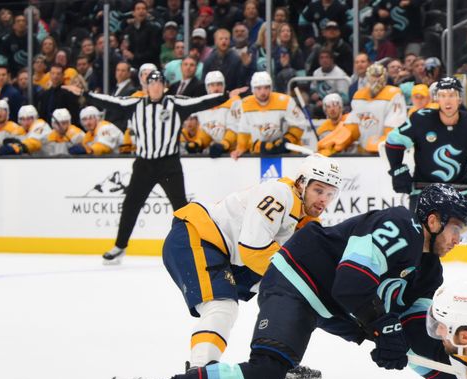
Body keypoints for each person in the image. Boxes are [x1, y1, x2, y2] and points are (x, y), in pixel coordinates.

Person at [95, 184, 467, 379]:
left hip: (329, 304)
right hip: (296, 277)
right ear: (433, 220)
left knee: (409, 342)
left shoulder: (430, 271)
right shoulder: (400, 226)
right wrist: (383, 326)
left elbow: (418, 341)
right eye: (456, 228)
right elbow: (351, 282)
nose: (459, 240)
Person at [162, 154, 341, 379]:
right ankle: (199, 374)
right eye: (318, 190)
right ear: (301, 183)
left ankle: (276, 358)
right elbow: (252, 248)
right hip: (196, 236)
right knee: (222, 306)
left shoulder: (306, 221)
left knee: (290, 300)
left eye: (330, 194)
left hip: (228, 256)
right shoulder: (279, 194)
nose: (323, 199)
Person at [63, 70, 228, 265]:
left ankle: (195, 246)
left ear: (164, 86)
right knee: (130, 205)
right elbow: (110, 101)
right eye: (152, 83)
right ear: (146, 87)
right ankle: (120, 246)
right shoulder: (136, 104)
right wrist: (85, 93)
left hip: (169, 163)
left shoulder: (175, 103)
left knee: (182, 208)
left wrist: (226, 96)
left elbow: (201, 102)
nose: (156, 87)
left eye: (159, 83)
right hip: (144, 164)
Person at [385, 77, 467, 304]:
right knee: (419, 239)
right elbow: (394, 142)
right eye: (443, 95)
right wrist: (398, 171)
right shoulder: (421, 119)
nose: (447, 100)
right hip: (425, 193)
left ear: (459, 98)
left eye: (452, 95)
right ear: (437, 98)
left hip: (460, 193)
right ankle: (411, 287)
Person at [318, 63, 406, 154]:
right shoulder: (359, 96)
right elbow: (353, 126)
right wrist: (336, 142)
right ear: (367, 77)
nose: (376, 79)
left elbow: (395, 127)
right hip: (364, 152)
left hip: (387, 154)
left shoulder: (394, 94)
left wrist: (383, 143)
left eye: (378, 75)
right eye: (373, 76)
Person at [232, 71, 307, 156]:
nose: (263, 92)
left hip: (287, 152)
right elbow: (243, 131)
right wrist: (240, 148)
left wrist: (287, 140)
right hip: (258, 152)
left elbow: (299, 124)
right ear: (253, 89)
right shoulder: (245, 104)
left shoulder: (285, 101)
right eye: (259, 88)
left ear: (271, 88)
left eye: (266, 88)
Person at [195, 70, 243, 157]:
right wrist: (199, 143)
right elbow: (207, 130)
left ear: (224, 86)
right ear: (207, 87)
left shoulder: (234, 102)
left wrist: (224, 144)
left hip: (239, 152)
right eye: (212, 85)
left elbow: (235, 128)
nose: (216, 88)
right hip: (220, 150)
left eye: (219, 84)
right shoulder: (202, 108)